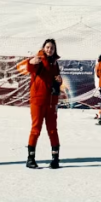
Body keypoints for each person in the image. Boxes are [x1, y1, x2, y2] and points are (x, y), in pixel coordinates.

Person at [26, 38, 62, 169]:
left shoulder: (55, 63)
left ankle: (55, 158)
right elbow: (30, 67)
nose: (49, 50)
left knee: (53, 130)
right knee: (36, 129)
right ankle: (30, 158)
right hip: (38, 100)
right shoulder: (39, 59)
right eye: (47, 47)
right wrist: (30, 62)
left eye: (52, 48)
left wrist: (59, 80)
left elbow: (56, 80)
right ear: (43, 48)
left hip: (52, 101)